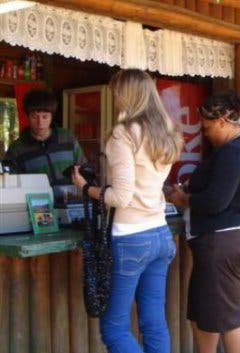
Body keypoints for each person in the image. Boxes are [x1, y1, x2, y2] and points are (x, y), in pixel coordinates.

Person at [72, 69, 183, 353]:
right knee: (154, 324)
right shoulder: (165, 133)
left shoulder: (123, 134)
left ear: (126, 96)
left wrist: (86, 188)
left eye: (117, 94)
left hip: (131, 238)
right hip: (160, 234)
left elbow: (120, 196)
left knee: (113, 329)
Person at [167, 91, 240, 353]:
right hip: (222, 242)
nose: (205, 133)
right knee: (202, 315)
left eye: (208, 127)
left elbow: (215, 201)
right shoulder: (238, 149)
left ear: (223, 120)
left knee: (230, 319)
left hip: (223, 243)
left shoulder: (234, 152)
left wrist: (183, 199)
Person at [4, 88, 86, 186]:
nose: (40, 123)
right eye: (34, 117)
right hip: (36, 200)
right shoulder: (16, 149)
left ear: (52, 116)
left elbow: (84, 170)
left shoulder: (68, 138)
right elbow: (9, 183)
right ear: (27, 116)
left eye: (45, 117)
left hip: (72, 200)